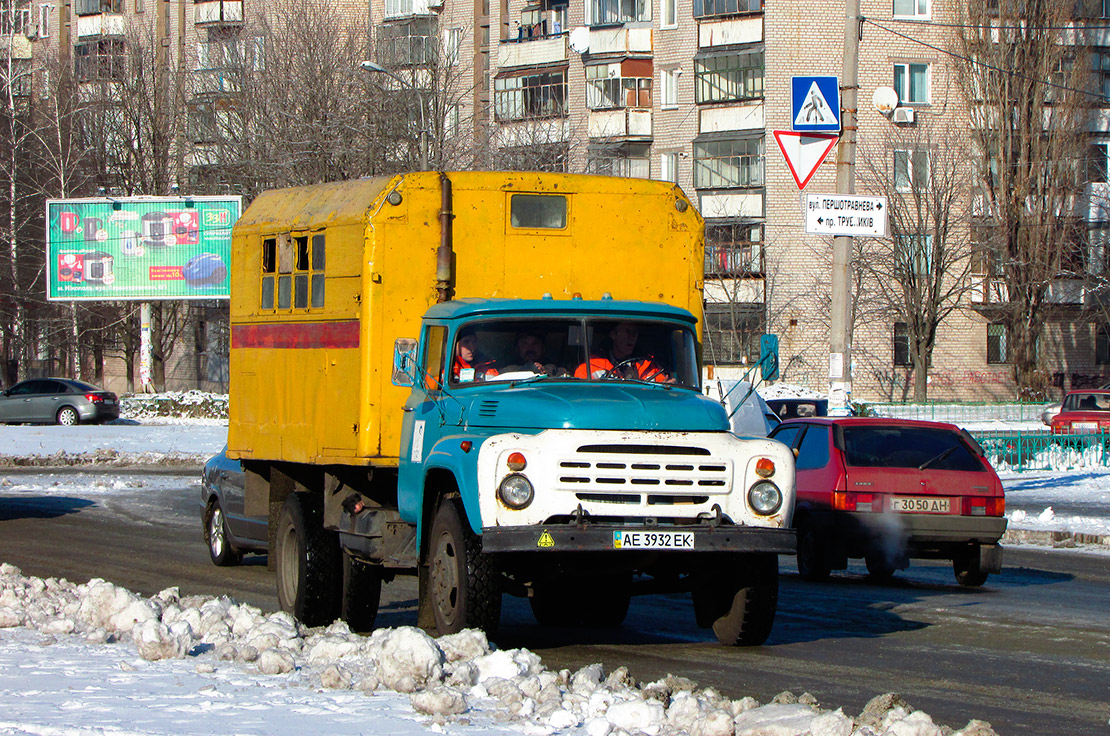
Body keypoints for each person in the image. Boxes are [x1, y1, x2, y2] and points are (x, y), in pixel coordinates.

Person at [574, 322, 671, 382]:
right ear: (613, 334)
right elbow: (583, 396)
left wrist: (668, 388)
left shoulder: (650, 366)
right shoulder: (591, 367)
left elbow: (662, 391)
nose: (632, 336)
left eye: (635, 332)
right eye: (627, 331)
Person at [501, 330, 565, 376]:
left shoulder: (556, 371)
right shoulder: (506, 372)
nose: (530, 348)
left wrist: (545, 375)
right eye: (525, 343)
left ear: (543, 348)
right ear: (517, 348)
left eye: (535, 343)